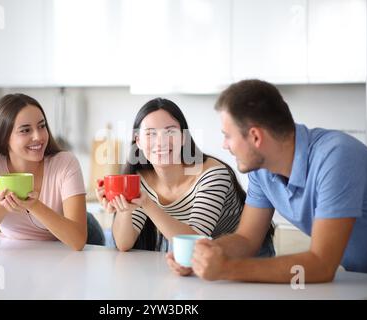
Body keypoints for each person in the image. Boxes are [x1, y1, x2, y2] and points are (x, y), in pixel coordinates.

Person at [185, 79, 367, 283]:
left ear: (255, 137)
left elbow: (321, 265)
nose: (225, 145)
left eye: (228, 136)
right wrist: (204, 254)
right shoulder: (261, 170)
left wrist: (227, 268)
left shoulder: (337, 157)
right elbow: (247, 239)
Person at [96, 97, 274, 258]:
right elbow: (123, 244)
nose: (161, 142)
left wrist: (147, 203)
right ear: (138, 141)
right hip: (201, 258)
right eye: (150, 133)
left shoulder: (212, 175)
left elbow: (195, 240)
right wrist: (124, 208)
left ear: (183, 137)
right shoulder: (139, 179)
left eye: (170, 131)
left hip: (246, 255)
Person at [0, 93, 104, 250]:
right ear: (4, 137)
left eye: (42, 126)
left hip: (82, 245)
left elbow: (78, 240)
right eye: (25, 130)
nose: (38, 136)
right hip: (24, 255)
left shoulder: (65, 163)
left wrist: (34, 206)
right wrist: (1, 204)